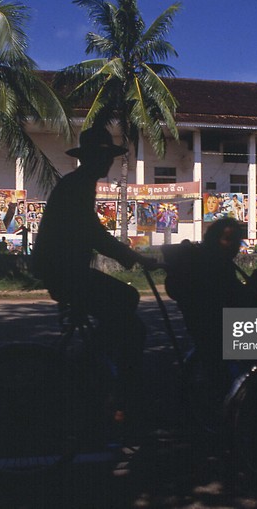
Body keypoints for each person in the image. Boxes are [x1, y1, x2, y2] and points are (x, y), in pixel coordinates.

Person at [32, 126, 154, 417]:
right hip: (64, 272)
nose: (107, 162)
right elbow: (91, 233)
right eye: (103, 156)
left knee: (123, 306)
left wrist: (127, 255)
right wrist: (129, 255)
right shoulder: (77, 185)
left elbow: (91, 233)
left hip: (63, 270)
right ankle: (116, 388)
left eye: (109, 156)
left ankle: (93, 361)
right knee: (128, 303)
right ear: (89, 158)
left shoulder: (79, 183)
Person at [165, 217, 257, 364]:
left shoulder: (215, 261)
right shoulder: (212, 265)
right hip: (219, 331)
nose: (234, 246)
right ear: (213, 240)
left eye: (237, 241)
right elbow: (237, 301)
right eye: (228, 239)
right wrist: (255, 285)